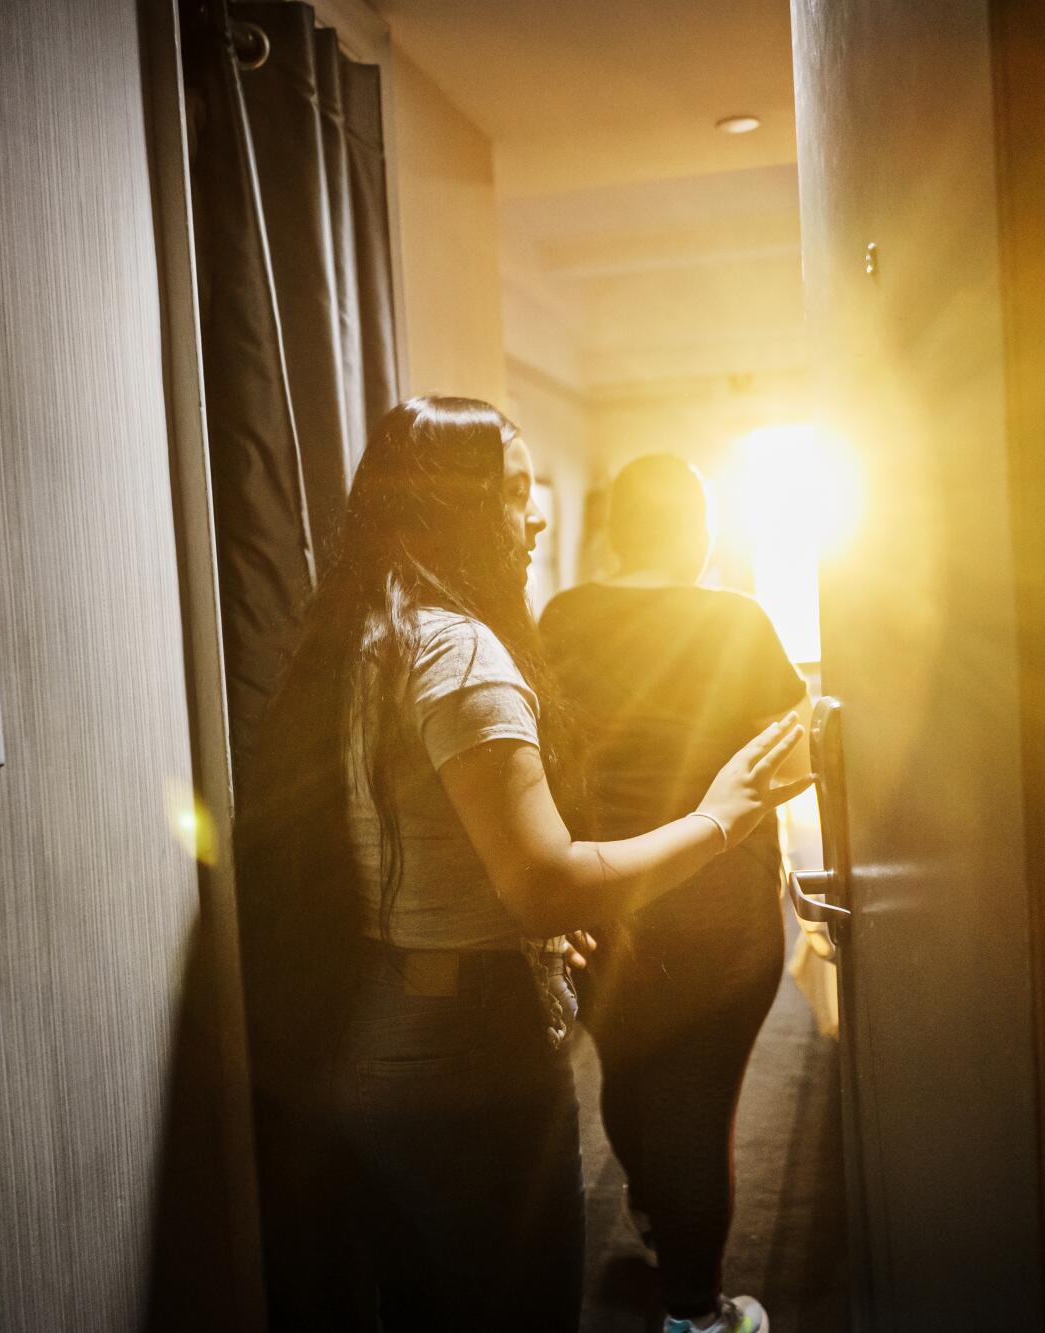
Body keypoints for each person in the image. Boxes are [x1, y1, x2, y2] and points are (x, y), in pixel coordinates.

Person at [235, 399, 807, 1332]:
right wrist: (718, 818)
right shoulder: (461, 655)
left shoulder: (373, 633)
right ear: (452, 505)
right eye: (512, 491)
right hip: (466, 1038)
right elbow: (540, 878)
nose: (537, 512)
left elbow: (442, 841)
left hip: (380, 1018)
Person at [539, 454, 809, 1333]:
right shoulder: (739, 621)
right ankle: (697, 1313)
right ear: (699, 532)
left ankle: (657, 1216)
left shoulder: (564, 616)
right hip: (719, 902)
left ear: (614, 530)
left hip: (605, 897)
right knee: (702, 1105)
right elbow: (798, 758)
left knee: (627, 1069)